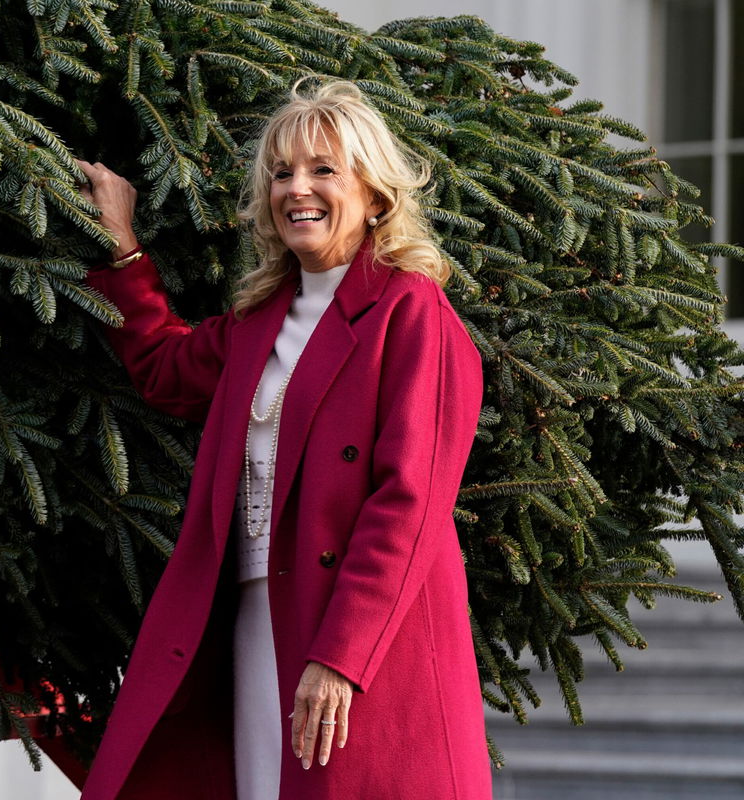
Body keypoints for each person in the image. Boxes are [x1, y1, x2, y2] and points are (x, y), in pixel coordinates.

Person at [75, 78, 491, 800]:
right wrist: (121, 247)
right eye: (282, 172)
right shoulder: (259, 319)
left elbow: (410, 505)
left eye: (324, 169)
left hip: (358, 640)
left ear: (374, 193)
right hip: (256, 618)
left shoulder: (411, 309)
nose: (297, 188)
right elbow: (165, 369)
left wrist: (342, 657)